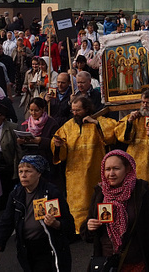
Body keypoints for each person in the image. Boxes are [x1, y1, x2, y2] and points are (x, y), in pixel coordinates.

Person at [81, 150, 149, 271]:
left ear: (128, 168)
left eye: (116, 168)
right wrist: (89, 227)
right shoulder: (100, 193)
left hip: (137, 264)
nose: (111, 174)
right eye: (107, 169)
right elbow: (88, 236)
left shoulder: (143, 193)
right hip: (107, 264)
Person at [0, 155, 74, 272]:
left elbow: (69, 225)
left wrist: (56, 224)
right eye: (20, 171)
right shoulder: (15, 195)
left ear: (39, 173)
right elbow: (6, 222)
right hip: (26, 249)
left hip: (48, 248)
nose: (23, 175)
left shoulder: (51, 193)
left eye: (28, 171)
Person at [51, 96, 118, 233]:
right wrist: (58, 145)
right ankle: (79, 229)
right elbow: (59, 150)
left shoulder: (99, 121)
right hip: (75, 173)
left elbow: (111, 135)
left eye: (78, 110)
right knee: (77, 203)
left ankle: (101, 226)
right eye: (73, 110)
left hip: (96, 170)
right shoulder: (67, 126)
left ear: (86, 109)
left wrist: (96, 123)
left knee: (98, 199)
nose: (74, 113)